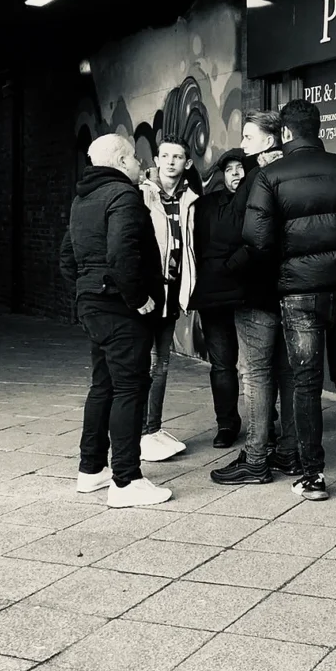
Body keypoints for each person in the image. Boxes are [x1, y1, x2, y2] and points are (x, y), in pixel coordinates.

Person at [243, 98, 336, 501]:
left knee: (306, 381)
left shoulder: (270, 176)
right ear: (318, 130)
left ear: (285, 133)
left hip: (300, 291)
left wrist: (281, 272)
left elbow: (256, 239)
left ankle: (314, 476)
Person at [59, 135, 172, 507]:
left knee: (103, 386)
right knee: (130, 388)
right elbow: (122, 250)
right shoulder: (123, 196)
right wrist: (138, 298)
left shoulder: (82, 198)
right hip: (120, 307)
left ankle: (91, 471)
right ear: (123, 160)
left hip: (93, 303)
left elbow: (66, 257)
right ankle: (126, 480)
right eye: (137, 157)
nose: (142, 164)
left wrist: (87, 289)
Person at [211, 110, 302, 485]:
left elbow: (237, 228)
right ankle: (290, 452)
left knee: (259, 375)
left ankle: (256, 457)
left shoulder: (257, 176)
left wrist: (229, 267)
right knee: (288, 373)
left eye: (248, 137)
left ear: (269, 140)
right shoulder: (297, 170)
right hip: (294, 287)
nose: (243, 144)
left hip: (259, 291)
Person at [139, 135, 199, 462]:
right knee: (146, 363)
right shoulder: (143, 194)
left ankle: (153, 428)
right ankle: (141, 434)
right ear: (157, 160)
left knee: (162, 363)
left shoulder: (190, 198)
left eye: (178, 157)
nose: (171, 162)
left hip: (172, 292)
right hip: (148, 292)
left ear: (187, 163)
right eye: (165, 156)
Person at [189, 149, 249, 449]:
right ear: (222, 174)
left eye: (241, 168)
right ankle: (227, 423)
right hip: (216, 295)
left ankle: (265, 418)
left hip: (251, 295)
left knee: (256, 366)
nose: (236, 173)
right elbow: (197, 249)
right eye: (230, 169)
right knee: (222, 364)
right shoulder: (206, 205)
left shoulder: (260, 201)